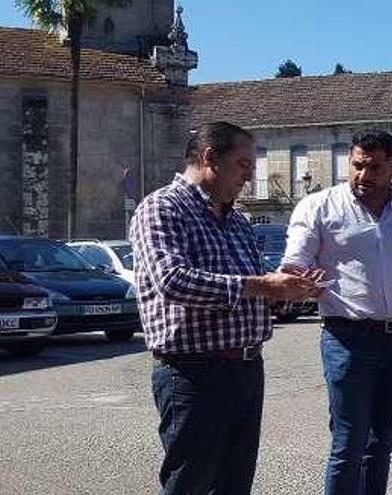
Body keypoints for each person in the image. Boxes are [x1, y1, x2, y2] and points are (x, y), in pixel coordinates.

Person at [130, 121, 321, 495]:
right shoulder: (162, 208)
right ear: (209, 159)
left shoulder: (236, 219)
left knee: (235, 484)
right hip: (194, 372)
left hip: (246, 368)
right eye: (244, 165)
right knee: (190, 483)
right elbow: (173, 281)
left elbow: (250, 287)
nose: (250, 177)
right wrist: (263, 285)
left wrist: (287, 292)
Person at [281, 129, 392, 495]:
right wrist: (301, 281)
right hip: (346, 339)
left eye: (374, 167)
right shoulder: (319, 207)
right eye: (357, 166)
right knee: (348, 444)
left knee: (381, 445)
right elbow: (294, 262)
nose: (363, 175)